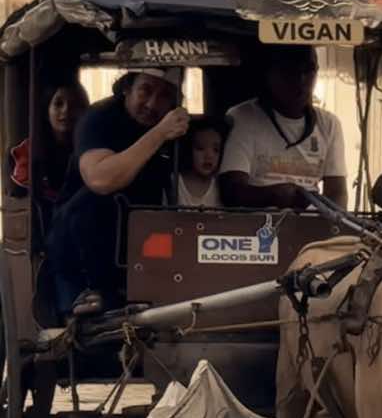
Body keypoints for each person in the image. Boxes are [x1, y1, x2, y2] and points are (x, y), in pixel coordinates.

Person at [47, 68, 189, 316]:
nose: (153, 103)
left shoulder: (176, 130)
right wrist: (159, 134)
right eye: (145, 90)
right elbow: (101, 179)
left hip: (139, 254)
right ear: (126, 88)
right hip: (80, 257)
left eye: (165, 95)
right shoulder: (98, 119)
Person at [218, 45, 348, 210]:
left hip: (312, 225)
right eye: (290, 71)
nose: (301, 80)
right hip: (254, 226)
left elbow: (338, 195)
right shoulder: (243, 117)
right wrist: (275, 196)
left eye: (308, 71)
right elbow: (232, 191)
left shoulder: (330, 124)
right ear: (270, 73)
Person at [8, 81, 90, 205]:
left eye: (74, 105)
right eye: (58, 104)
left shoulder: (92, 149)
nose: (66, 110)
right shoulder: (27, 151)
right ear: (47, 111)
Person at [175, 115, 228, 207]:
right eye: (200, 148)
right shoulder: (175, 183)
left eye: (216, 150)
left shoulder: (220, 186)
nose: (209, 156)